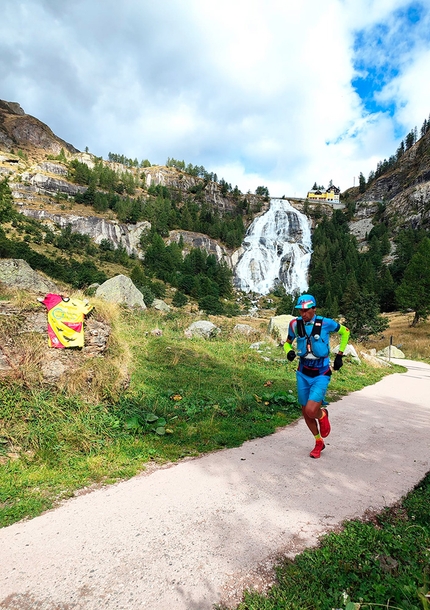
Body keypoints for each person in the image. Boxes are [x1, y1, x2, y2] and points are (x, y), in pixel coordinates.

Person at [283, 294, 350, 459]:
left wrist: (340, 355)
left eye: (306, 310)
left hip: (321, 373)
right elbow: (286, 342)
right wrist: (289, 351)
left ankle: (322, 414)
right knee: (305, 411)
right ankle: (318, 441)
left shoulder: (326, 323)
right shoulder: (294, 324)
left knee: (312, 410)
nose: (303, 314)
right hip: (303, 372)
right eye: (301, 311)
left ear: (314, 309)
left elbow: (345, 332)